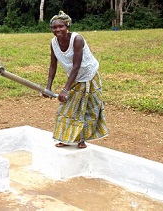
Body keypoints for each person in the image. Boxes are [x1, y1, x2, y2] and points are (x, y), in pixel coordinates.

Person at [43, 11, 108, 148]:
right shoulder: (53, 43)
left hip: (89, 76)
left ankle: (81, 139)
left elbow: (76, 65)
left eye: (61, 26)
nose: (57, 30)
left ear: (67, 26)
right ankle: (65, 138)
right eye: (54, 28)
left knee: (87, 109)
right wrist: (48, 87)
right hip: (74, 78)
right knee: (66, 109)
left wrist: (65, 89)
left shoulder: (77, 39)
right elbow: (52, 66)